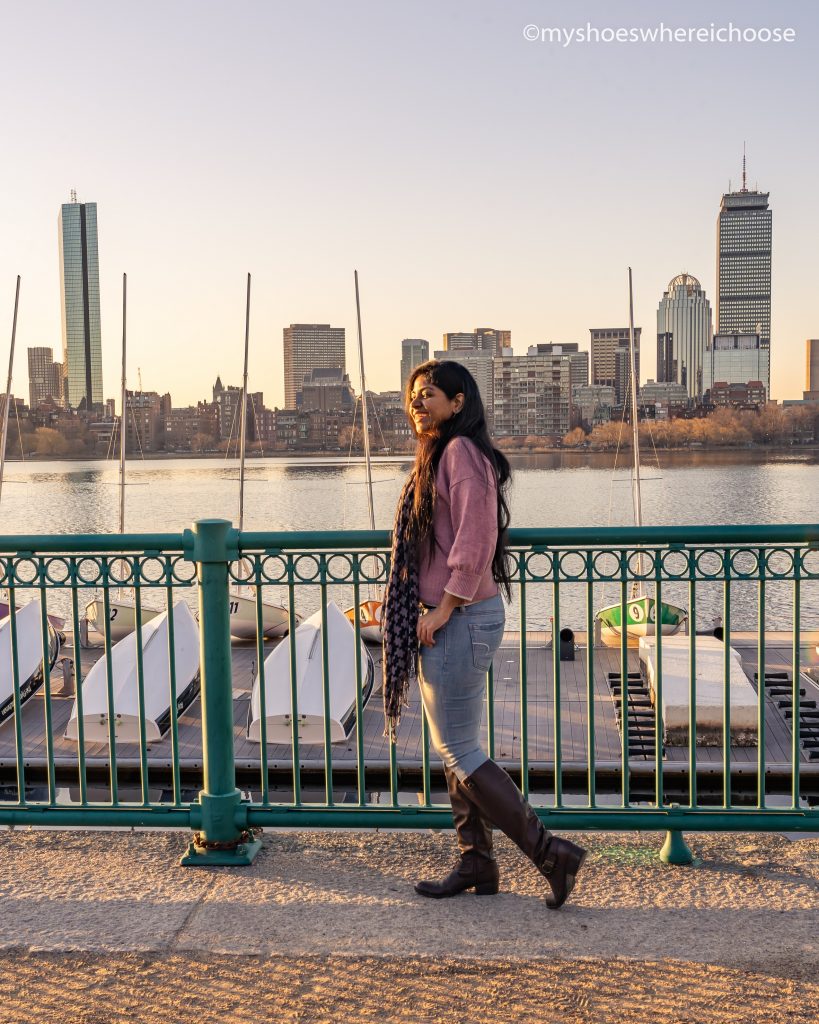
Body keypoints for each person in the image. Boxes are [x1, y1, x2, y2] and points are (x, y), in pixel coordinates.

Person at [382, 359, 586, 909]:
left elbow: (475, 538)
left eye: (429, 395)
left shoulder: (459, 454)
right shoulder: (442, 455)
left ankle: (551, 854)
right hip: (454, 616)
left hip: (461, 617)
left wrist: (444, 606)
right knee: (458, 748)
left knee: (460, 748)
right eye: (413, 396)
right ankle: (477, 863)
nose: (418, 404)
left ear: (458, 402)